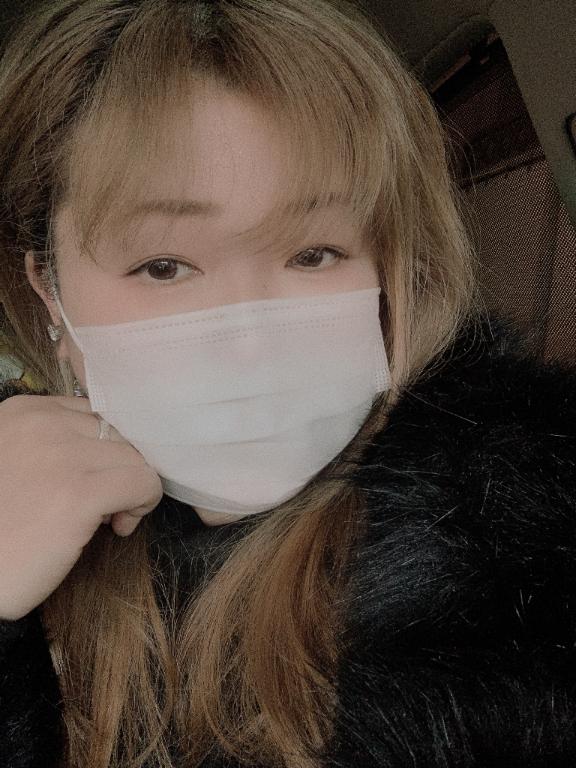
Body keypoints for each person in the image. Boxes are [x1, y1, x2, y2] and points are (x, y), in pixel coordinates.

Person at [0, 0, 575, 766]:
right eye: (163, 266)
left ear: (389, 266)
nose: (247, 343)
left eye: (314, 254)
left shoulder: (517, 545)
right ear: (50, 292)